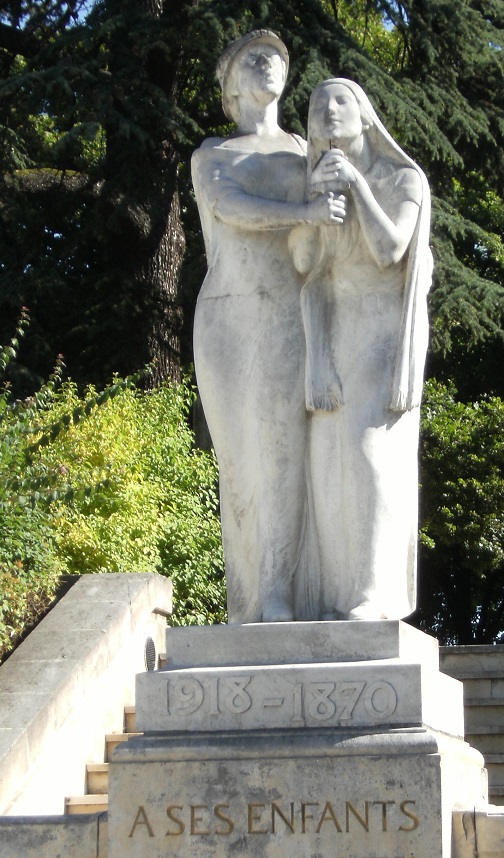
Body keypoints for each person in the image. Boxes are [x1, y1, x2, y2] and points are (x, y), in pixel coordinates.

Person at [191, 31, 346, 623]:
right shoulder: (212, 155)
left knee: (283, 453)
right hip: (228, 315)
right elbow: (231, 209)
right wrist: (304, 212)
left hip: (288, 312)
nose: (270, 65)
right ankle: (245, 595)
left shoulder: (308, 152)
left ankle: (279, 590)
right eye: (255, 59)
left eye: (278, 58)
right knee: (238, 459)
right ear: (230, 85)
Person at [290, 79, 432, 620]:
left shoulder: (403, 178)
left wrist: (356, 185)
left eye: (339, 102)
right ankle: (336, 594)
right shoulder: (319, 183)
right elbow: (304, 263)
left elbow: (390, 249)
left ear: (366, 117)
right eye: (317, 106)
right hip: (331, 328)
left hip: (381, 331)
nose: (327, 112)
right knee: (327, 465)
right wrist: (310, 204)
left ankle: (376, 593)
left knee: (373, 459)